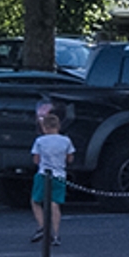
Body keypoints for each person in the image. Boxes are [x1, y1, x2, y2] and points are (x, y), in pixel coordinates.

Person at [29, 103, 74, 244]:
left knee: (36, 201)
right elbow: (70, 158)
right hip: (60, 175)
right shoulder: (66, 140)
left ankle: (42, 226)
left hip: (43, 174)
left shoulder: (40, 141)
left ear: (45, 128)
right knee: (55, 204)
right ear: (58, 126)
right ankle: (56, 234)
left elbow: (36, 159)